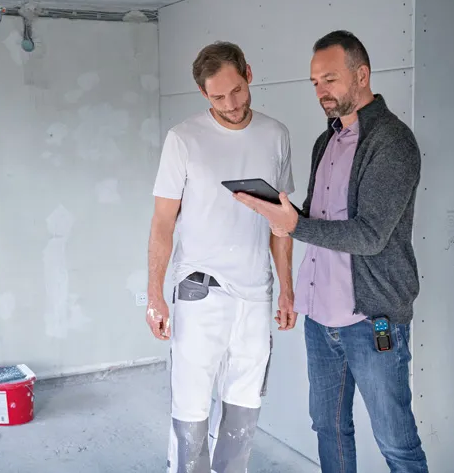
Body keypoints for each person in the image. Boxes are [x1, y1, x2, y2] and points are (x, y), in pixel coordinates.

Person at [233, 30, 429, 473]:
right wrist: (280, 209)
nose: (321, 92)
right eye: (315, 83)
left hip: (371, 319)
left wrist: (295, 225)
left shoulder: (392, 142)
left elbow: (371, 234)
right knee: (329, 428)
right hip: (320, 317)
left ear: (361, 75)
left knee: (396, 442)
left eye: (330, 80)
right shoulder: (328, 139)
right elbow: (324, 219)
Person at [145, 41, 297, 473]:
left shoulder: (276, 134)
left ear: (248, 73)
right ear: (203, 95)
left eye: (237, 90)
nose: (231, 104)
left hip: (255, 293)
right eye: (218, 97)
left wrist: (286, 289)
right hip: (200, 288)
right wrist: (155, 295)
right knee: (191, 407)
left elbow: (281, 223)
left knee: (244, 410)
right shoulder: (184, 140)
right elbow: (162, 223)